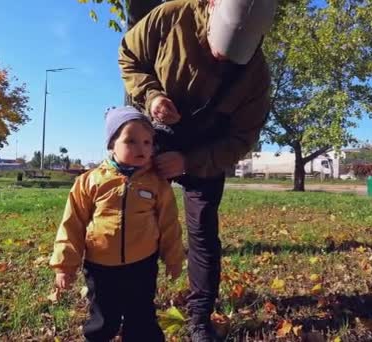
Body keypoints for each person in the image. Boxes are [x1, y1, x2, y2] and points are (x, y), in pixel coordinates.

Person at [118, 0, 278, 340]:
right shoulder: (170, 16)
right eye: (219, 43)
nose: (222, 58)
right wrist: (152, 97)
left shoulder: (257, 79)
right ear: (210, 5)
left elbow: (241, 140)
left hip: (207, 150)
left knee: (204, 233)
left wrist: (189, 162)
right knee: (129, 221)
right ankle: (132, 309)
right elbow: (129, 57)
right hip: (153, 137)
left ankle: (199, 319)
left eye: (235, 52)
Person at [49, 106, 184, 342]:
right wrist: (64, 265)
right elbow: (72, 225)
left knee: (141, 317)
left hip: (142, 264)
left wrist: (173, 258)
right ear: (112, 144)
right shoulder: (90, 181)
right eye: (130, 141)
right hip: (100, 266)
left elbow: (169, 224)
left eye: (146, 142)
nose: (141, 148)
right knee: (103, 319)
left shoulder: (157, 183)